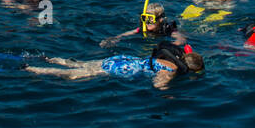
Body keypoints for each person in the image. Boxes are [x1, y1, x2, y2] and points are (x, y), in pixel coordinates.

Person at [28, 41, 203, 90]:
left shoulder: (173, 57)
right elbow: (158, 85)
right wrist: (169, 92)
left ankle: (50, 59)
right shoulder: (172, 69)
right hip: (122, 69)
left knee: (82, 64)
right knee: (75, 75)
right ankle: (34, 69)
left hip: (125, 59)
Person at [99, 0, 178, 48]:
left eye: (151, 19)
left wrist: (172, 44)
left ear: (160, 20)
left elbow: (181, 39)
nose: (147, 22)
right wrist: (115, 38)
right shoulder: (143, 27)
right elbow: (129, 33)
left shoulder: (167, 29)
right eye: (145, 18)